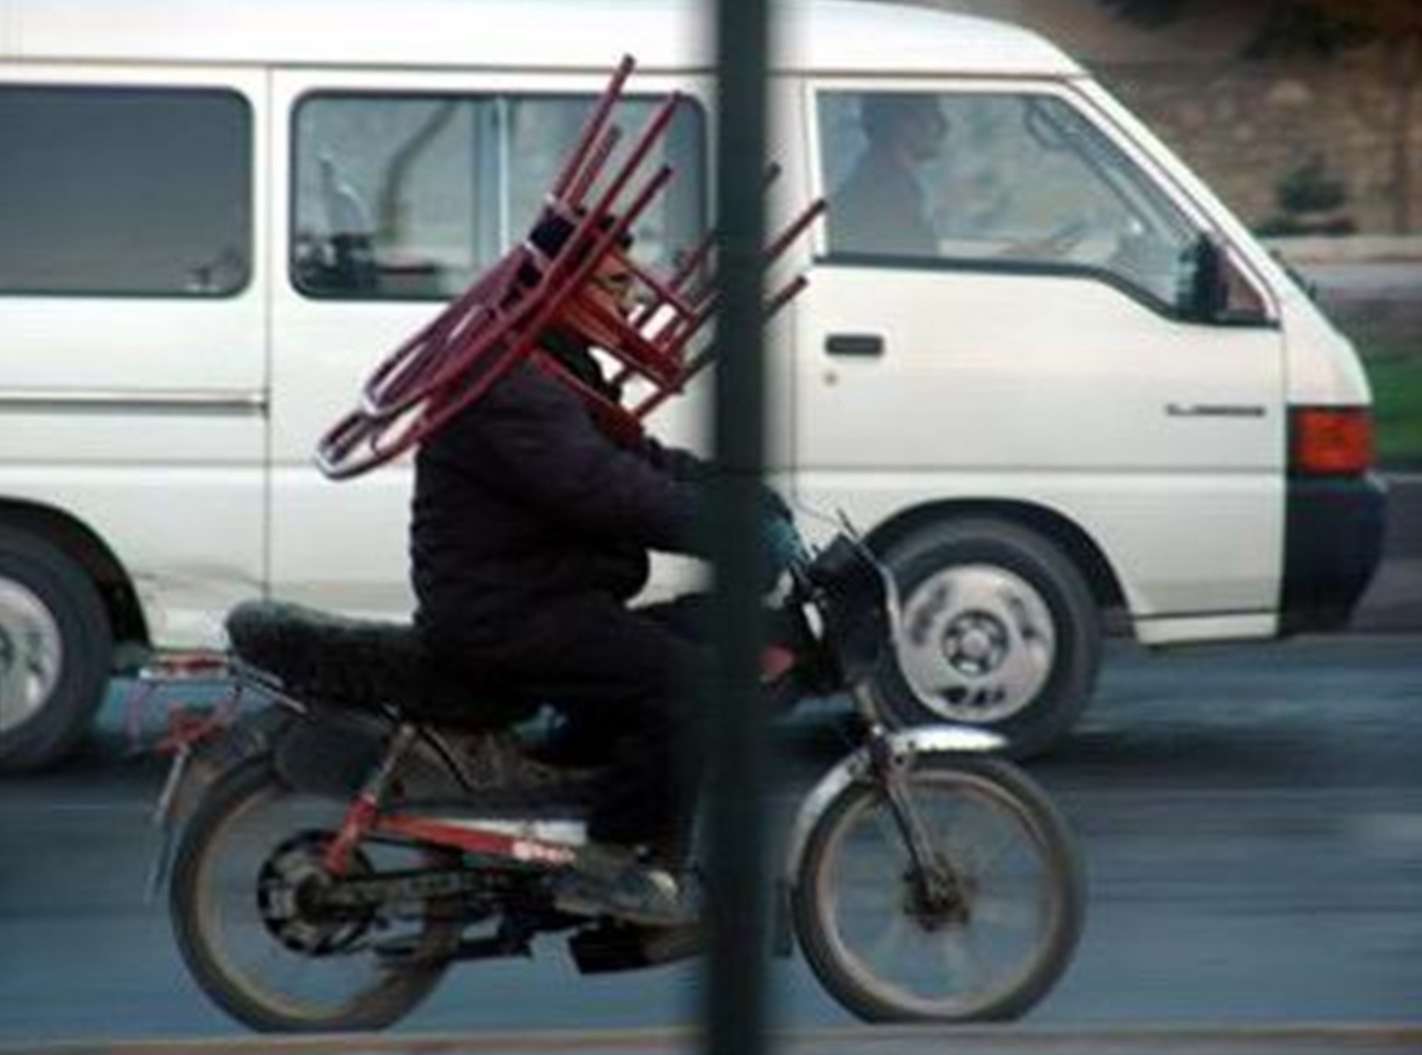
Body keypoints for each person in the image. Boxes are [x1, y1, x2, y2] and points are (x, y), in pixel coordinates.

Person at [409, 212, 800, 926]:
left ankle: (570, 808)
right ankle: (611, 863)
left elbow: (635, 459)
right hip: (510, 611)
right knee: (693, 689)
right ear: (563, 287)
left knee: (700, 635)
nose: (630, 303)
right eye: (615, 285)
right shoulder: (514, 378)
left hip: (548, 595)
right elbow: (599, 486)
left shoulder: (553, 359)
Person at [829, 93, 948, 258]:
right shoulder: (879, 201)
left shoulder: (882, 188)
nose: (944, 126)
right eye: (933, 114)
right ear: (904, 123)